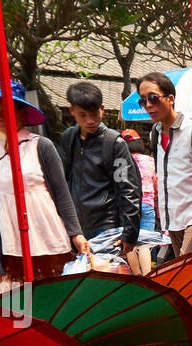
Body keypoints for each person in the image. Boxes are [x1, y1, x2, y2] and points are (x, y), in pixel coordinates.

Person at [0, 79, 88, 281]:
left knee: (53, 301)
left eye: (4, 110)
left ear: (21, 112)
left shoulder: (41, 146)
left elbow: (62, 194)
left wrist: (77, 234)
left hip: (47, 239)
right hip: (11, 243)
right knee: (20, 306)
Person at [138, 71, 192, 257]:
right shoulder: (156, 134)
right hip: (173, 221)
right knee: (188, 279)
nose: (148, 105)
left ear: (170, 98)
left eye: (153, 98)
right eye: (143, 101)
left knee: (188, 275)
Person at [61, 81, 141, 261]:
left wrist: (130, 233)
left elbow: (128, 189)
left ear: (102, 109)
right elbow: (63, 184)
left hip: (108, 228)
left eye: (94, 114)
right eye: (83, 115)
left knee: (107, 283)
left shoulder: (114, 142)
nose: (90, 121)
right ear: (72, 111)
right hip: (76, 230)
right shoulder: (68, 138)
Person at [120, 129, 157, 232]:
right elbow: (156, 183)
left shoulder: (120, 162)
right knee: (145, 243)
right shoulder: (150, 161)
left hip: (127, 205)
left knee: (128, 242)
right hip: (147, 204)